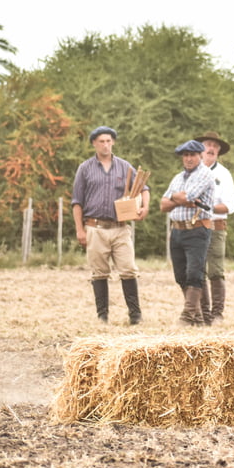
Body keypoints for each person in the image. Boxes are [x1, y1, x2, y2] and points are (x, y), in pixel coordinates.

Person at [71, 126, 150, 325]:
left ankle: (135, 315)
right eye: (101, 141)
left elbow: (143, 188)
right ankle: (102, 317)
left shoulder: (125, 167)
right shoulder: (85, 168)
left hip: (121, 227)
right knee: (99, 272)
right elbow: (77, 201)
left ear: (113, 142)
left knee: (128, 269)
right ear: (94, 144)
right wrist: (80, 229)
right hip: (94, 227)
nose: (105, 144)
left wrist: (145, 207)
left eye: (108, 141)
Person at [159, 139, 216, 326]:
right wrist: (179, 199)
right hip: (177, 229)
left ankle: (188, 315)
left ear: (200, 156)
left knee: (194, 272)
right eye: (185, 155)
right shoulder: (178, 178)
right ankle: (198, 317)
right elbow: (163, 205)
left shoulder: (205, 174)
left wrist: (175, 197)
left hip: (197, 228)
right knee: (180, 275)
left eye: (192, 155)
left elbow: (186, 197)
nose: (189, 159)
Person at [194, 131, 234, 325]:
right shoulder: (191, 173)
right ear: (201, 149)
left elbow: (231, 205)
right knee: (198, 270)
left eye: (215, 146)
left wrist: (208, 207)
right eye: (207, 145)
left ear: (218, 151)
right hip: (194, 227)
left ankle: (217, 313)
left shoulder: (224, 174)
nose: (211, 148)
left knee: (216, 270)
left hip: (216, 227)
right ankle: (204, 313)